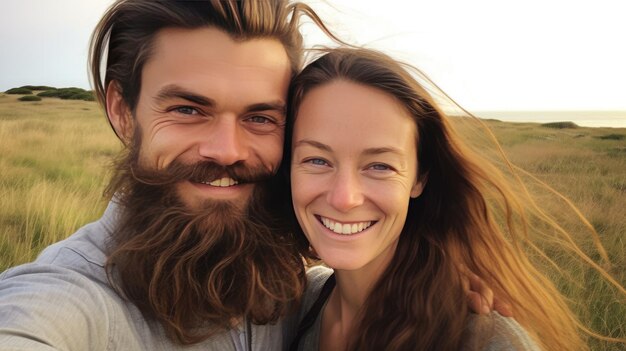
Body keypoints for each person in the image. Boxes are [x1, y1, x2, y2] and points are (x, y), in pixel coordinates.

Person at [0, 1, 500, 350]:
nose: (227, 150)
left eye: (261, 117)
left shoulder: (283, 283)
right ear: (122, 111)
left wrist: (422, 279)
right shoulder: (67, 300)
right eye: (188, 109)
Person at [281, 48, 625, 350]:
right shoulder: (299, 300)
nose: (344, 198)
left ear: (420, 178)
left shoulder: (485, 340)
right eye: (317, 160)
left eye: (380, 166)